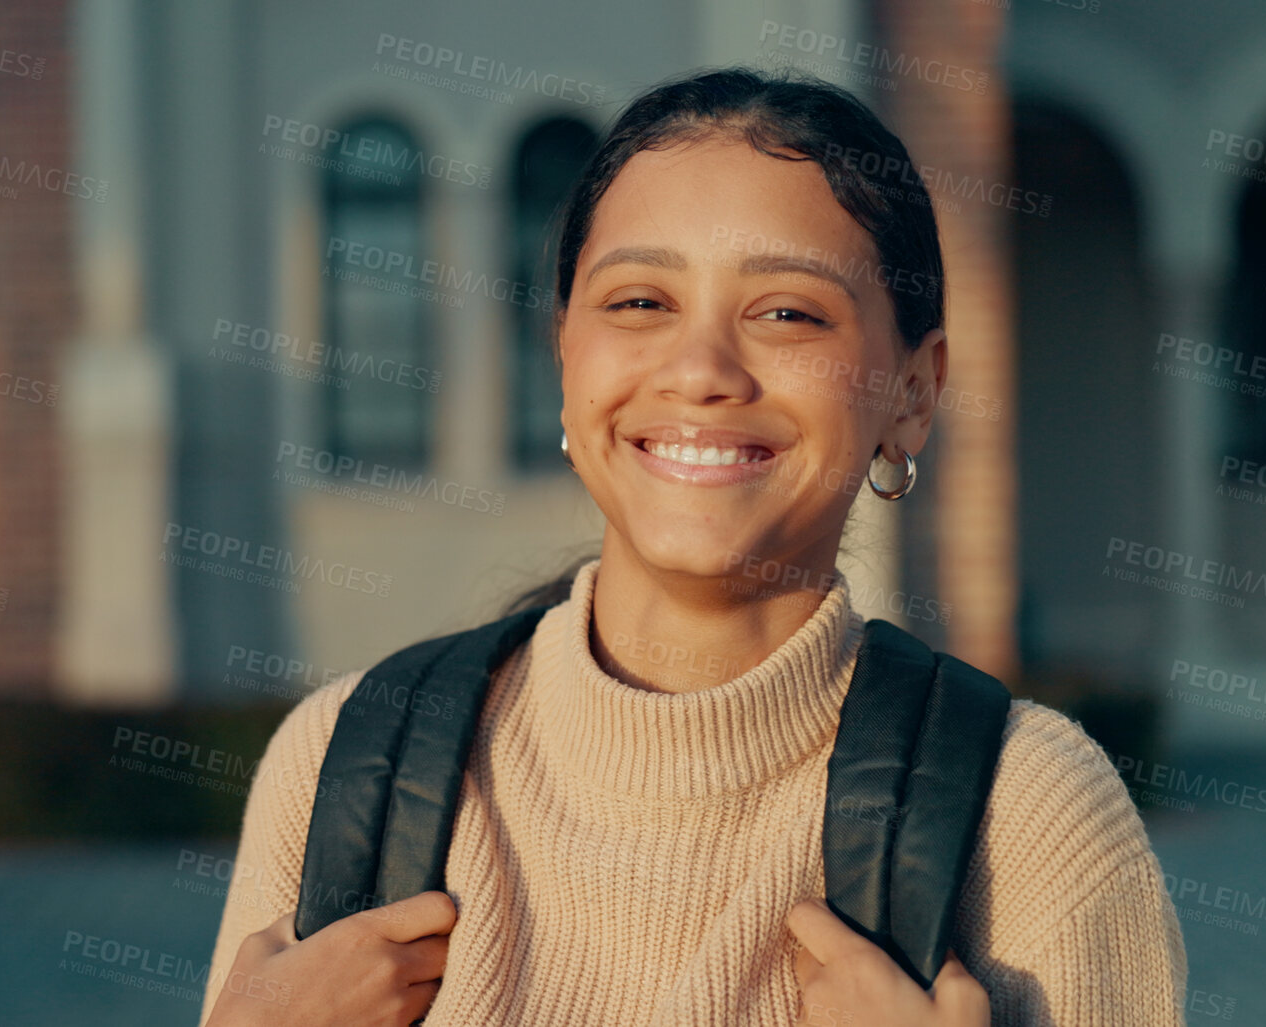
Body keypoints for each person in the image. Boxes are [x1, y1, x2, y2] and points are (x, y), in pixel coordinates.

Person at [199, 66, 1187, 1027]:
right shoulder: (345, 763)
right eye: (639, 302)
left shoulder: (1030, 816)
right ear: (564, 354)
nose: (702, 371)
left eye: (788, 313)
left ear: (915, 393)